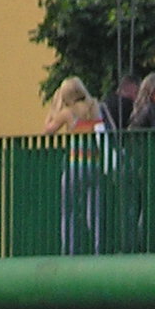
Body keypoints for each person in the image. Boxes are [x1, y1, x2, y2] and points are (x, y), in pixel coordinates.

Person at [46, 76, 108, 255]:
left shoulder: (68, 112)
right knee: (94, 210)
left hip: (75, 166)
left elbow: (47, 131)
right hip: (95, 165)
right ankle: (98, 250)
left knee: (68, 211)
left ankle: (70, 251)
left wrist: (54, 107)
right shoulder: (94, 106)